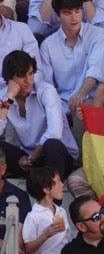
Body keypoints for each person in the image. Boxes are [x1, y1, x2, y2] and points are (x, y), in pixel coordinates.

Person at [0, 52, 78, 180]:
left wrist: (32, 159)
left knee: (51, 144)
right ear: (10, 79)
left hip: (56, 157)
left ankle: (54, 199)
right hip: (27, 156)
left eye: (30, 73)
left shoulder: (46, 91)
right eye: (21, 75)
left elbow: (55, 133)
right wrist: (9, 98)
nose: (28, 80)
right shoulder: (5, 96)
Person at [38, 0, 104, 117]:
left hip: (88, 98)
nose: (74, 18)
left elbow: (96, 70)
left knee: (83, 109)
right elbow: (47, 84)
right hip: (61, 102)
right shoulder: (47, 46)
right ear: (58, 16)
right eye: (67, 13)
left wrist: (81, 93)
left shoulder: (97, 35)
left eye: (77, 11)